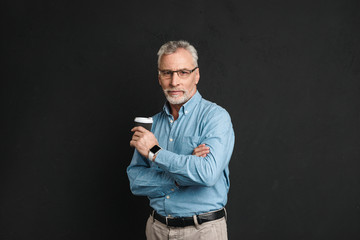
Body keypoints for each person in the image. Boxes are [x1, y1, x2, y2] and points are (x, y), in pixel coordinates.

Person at [127, 40, 235, 240]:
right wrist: (182, 175)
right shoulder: (152, 124)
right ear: (159, 77)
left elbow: (207, 174)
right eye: (167, 73)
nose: (174, 81)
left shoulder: (215, 118)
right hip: (156, 229)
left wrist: (155, 151)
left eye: (183, 72)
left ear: (197, 75)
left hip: (202, 231)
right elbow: (135, 181)